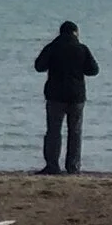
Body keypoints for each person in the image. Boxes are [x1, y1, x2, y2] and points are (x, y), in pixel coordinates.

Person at [33, 20, 99, 173]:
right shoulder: (81, 49)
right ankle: (73, 166)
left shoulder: (52, 48)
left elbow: (39, 66)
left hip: (55, 96)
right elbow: (93, 70)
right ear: (75, 32)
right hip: (76, 96)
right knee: (75, 132)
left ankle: (52, 165)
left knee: (53, 131)